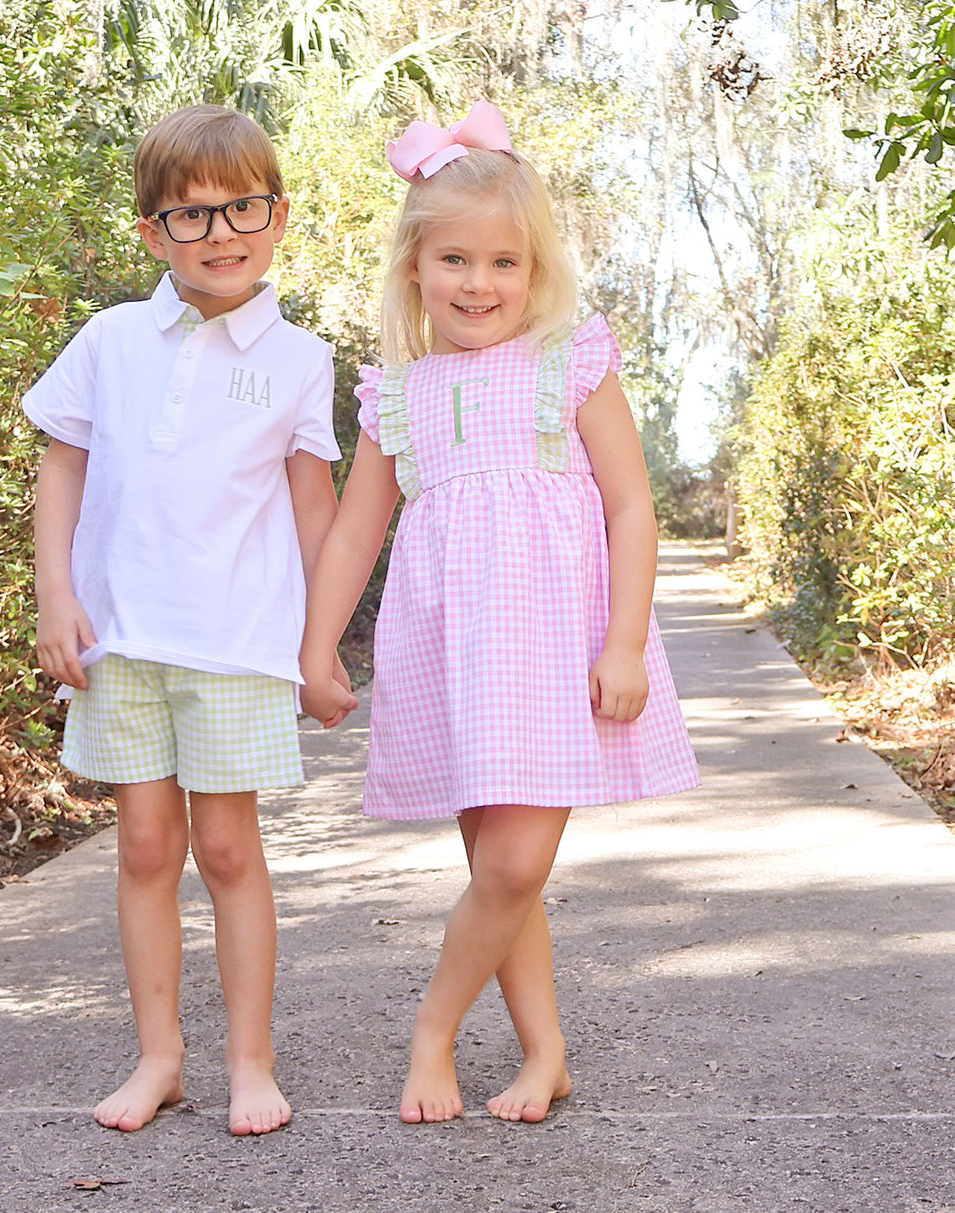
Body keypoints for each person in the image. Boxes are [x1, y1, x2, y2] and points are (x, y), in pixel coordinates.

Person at [298, 101, 700, 1125]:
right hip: (453, 653)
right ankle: (545, 1053)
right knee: (497, 869)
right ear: (413, 268)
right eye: (454, 261)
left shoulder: (572, 359)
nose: (477, 284)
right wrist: (316, 646)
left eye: (502, 264)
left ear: (535, 271)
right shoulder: (398, 390)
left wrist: (622, 640)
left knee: (516, 860)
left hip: (556, 649)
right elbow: (353, 533)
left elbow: (629, 504)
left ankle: (431, 1031)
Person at [24, 105, 343, 1136]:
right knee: (146, 847)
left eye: (240, 207)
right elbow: (62, 463)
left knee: (229, 849)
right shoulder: (111, 339)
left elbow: (309, 508)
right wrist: (56, 595)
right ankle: (159, 1056)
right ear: (152, 233)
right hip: (124, 638)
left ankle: (251, 1060)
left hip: (235, 646)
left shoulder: (299, 358)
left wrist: (319, 643)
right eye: (190, 216)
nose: (219, 233)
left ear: (277, 214)